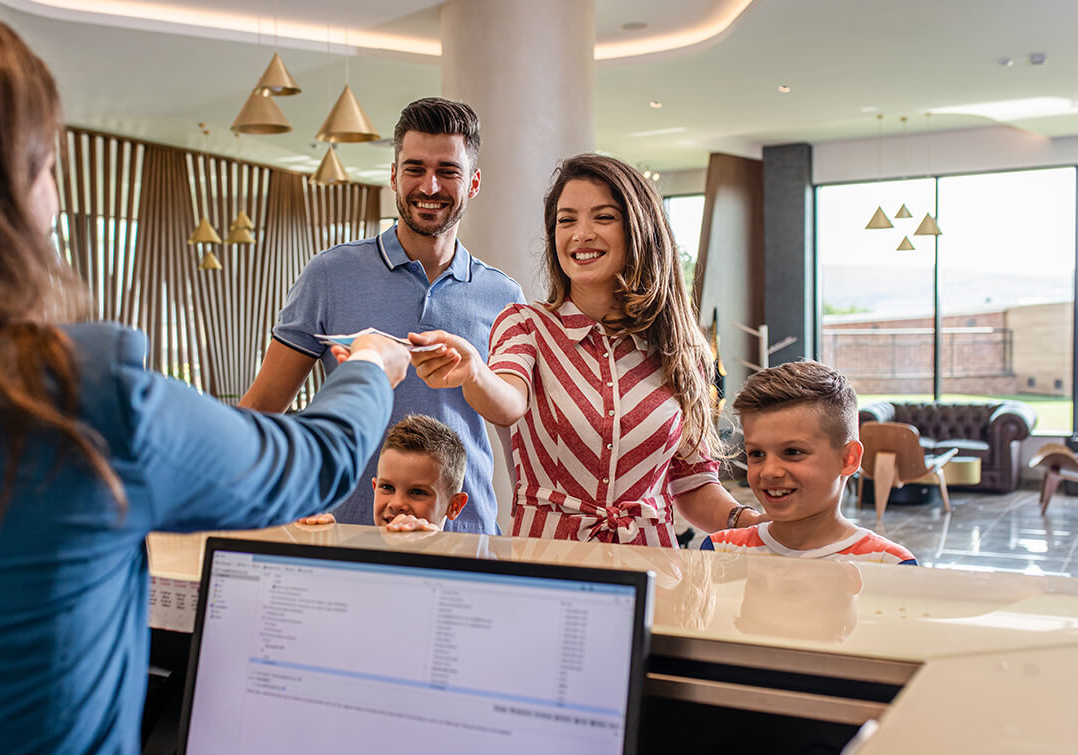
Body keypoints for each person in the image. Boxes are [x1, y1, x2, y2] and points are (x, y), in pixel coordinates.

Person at [0, 1, 410, 755]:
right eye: (47, 164)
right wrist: (368, 365)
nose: (54, 200)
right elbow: (316, 460)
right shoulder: (75, 402)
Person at [410, 153, 761, 545]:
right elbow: (508, 403)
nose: (581, 233)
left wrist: (756, 522)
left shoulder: (682, 349)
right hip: (548, 570)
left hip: (653, 574)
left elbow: (693, 485)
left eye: (603, 217)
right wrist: (474, 371)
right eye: (567, 220)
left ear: (639, 229)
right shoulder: (526, 325)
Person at [240, 97, 525, 535]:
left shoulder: (504, 296)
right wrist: (265, 499)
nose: (429, 186)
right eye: (415, 169)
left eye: (447, 171)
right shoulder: (331, 275)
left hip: (464, 537)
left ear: (473, 183)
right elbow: (262, 408)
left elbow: (516, 432)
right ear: (394, 176)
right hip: (344, 531)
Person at [701, 361, 918, 564]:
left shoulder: (888, 562)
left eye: (792, 452)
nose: (769, 471)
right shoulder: (721, 551)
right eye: (757, 454)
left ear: (848, 459)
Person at [297, 414, 469, 532]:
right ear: (374, 487)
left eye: (417, 492)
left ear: (454, 506)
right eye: (386, 487)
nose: (396, 503)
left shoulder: (467, 572)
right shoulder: (358, 559)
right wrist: (322, 552)